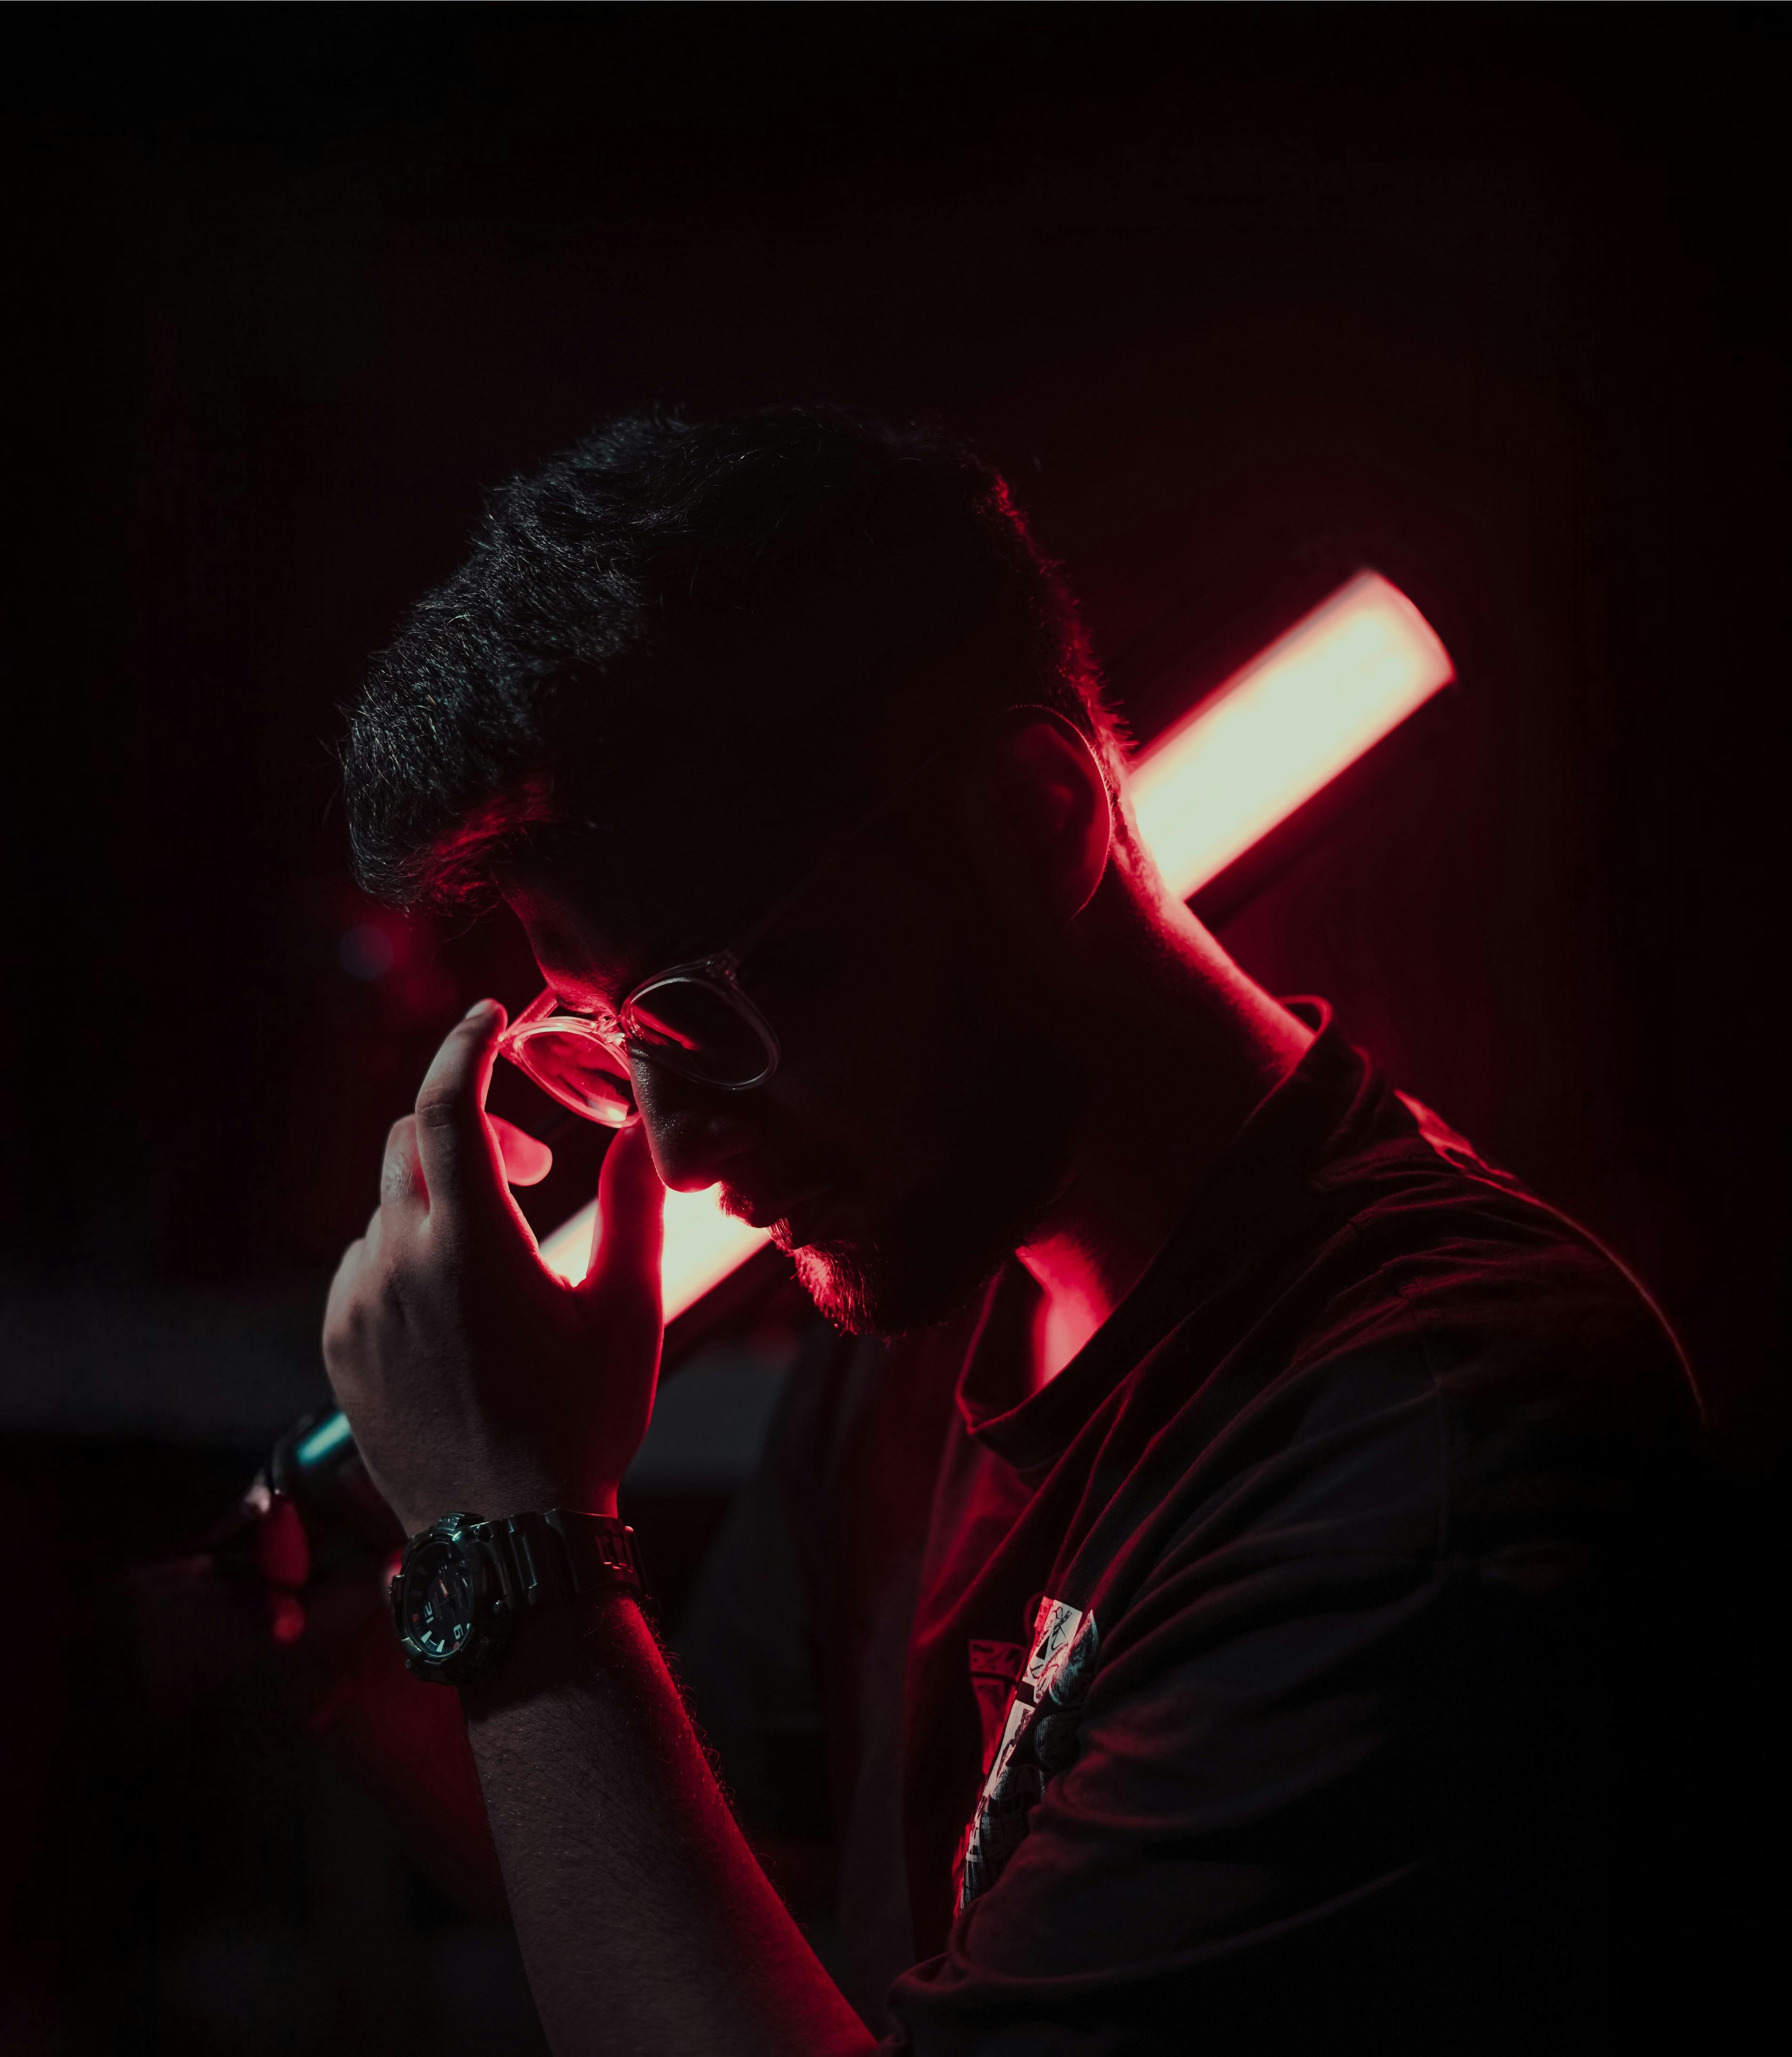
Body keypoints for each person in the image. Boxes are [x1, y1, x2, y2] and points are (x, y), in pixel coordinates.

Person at [323, 406, 1700, 2054]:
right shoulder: (921, 1302)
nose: (681, 1156)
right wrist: (351, 1663)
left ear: (1042, 812)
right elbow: (725, 1908)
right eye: (611, 1046)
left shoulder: (1439, 1439)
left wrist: (516, 1545)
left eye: (710, 1007)